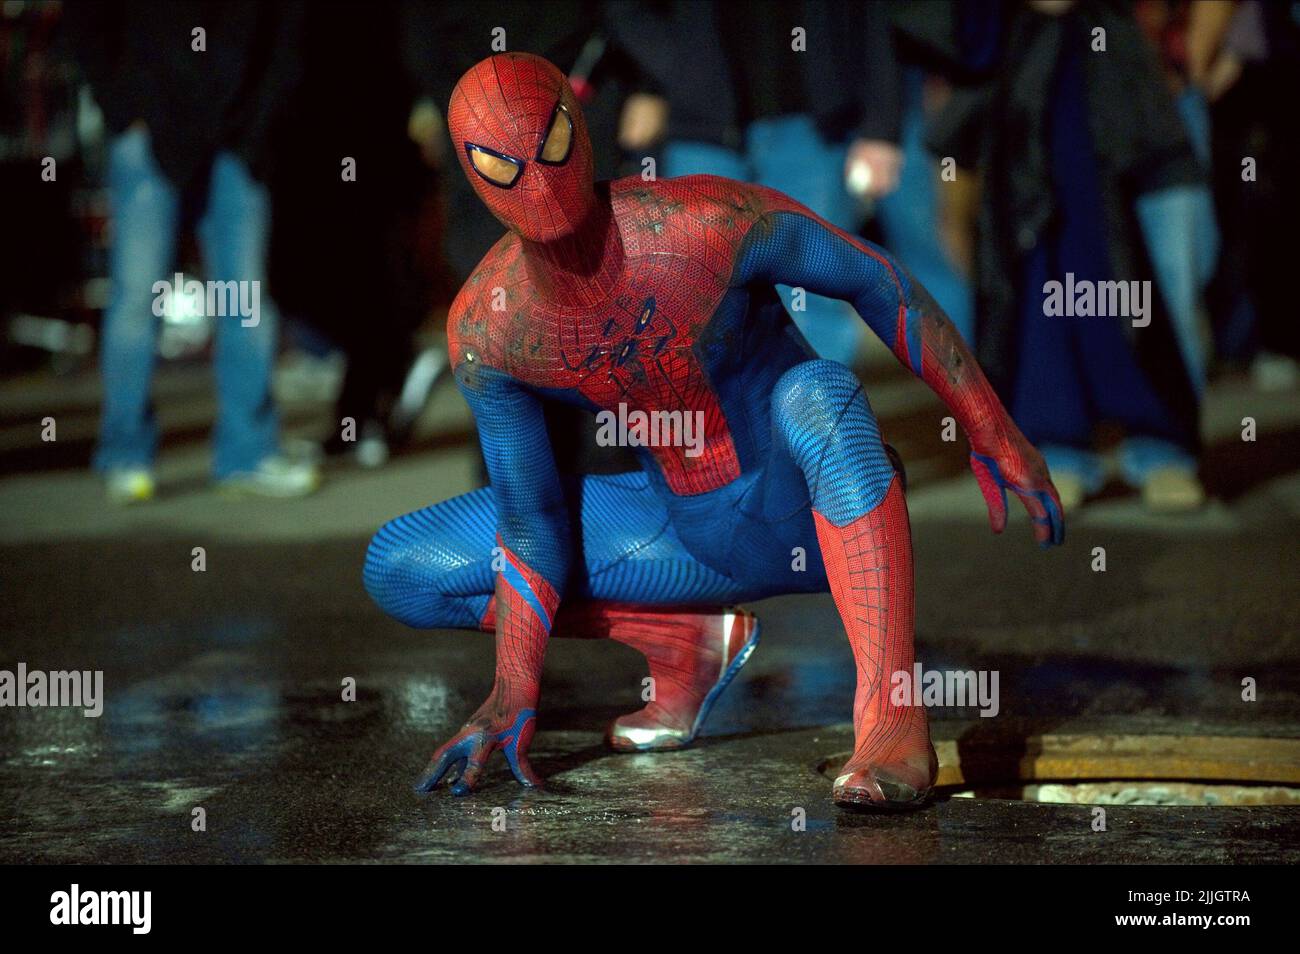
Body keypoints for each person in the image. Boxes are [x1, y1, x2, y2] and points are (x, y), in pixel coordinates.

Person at [364, 54, 1063, 810]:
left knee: (817, 393)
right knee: (402, 566)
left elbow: (874, 277)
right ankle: (681, 645)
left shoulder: (706, 224)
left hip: (797, 503)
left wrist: (991, 427)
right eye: (505, 165)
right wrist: (511, 688)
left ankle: (891, 716)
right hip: (677, 534)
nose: (539, 183)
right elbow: (531, 526)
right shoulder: (490, 326)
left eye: (552, 146)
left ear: (583, 129)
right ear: (473, 174)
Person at [67, 1, 318, 502]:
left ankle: (247, 453)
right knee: (138, 298)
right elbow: (86, 20)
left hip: (237, 134)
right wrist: (123, 107)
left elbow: (289, 30)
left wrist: (259, 123)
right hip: (147, 124)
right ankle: (125, 453)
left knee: (243, 300)